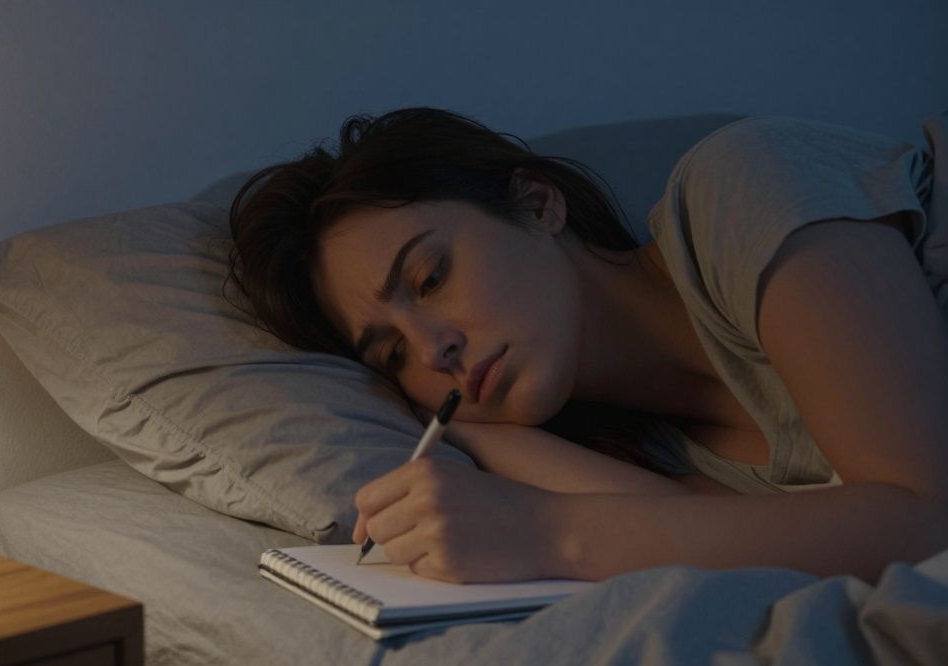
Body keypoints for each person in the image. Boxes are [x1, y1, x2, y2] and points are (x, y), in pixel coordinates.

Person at [227, 107, 948, 584]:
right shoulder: (658, 454)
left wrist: (543, 531)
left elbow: (927, 517)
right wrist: (497, 447)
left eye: (431, 276)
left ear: (539, 204)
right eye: (390, 356)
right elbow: (718, 541)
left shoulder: (742, 187)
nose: (432, 350)